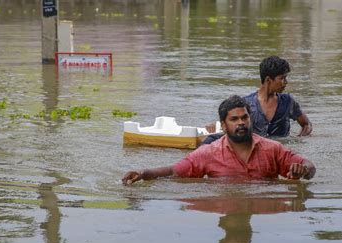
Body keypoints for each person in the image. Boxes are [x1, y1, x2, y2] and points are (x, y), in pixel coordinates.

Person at [122, 95, 315, 184]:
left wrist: (303, 170)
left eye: (244, 117)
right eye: (234, 119)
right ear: (223, 125)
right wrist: (143, 173)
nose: (241, 123)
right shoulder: (209, 153)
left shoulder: (273, 149)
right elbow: (174, 171)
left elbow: (309, 167)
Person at [202, 56, 312, 144]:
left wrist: (298, 140)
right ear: (268, 80)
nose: (286, 82)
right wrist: (214, 126)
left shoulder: (288, 102)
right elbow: (230, 126)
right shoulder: (247, 104)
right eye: (282, 78)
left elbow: (306, 125)